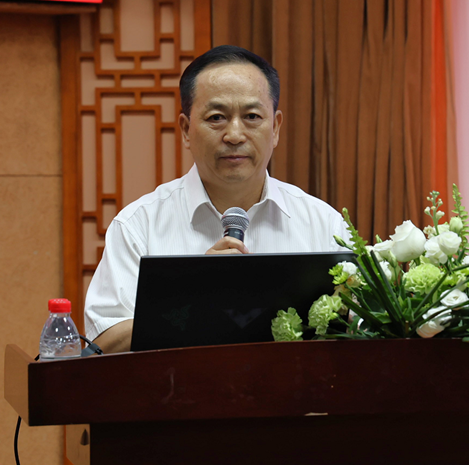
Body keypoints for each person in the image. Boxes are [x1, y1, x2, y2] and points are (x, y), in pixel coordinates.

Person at [84, 45, 348, 353]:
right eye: (217, 117)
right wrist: (194, 296)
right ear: (186, 129)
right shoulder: (138, 226)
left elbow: (362, 330)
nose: (234, 135)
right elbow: (101, 346)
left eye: (252, 116)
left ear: (275, 128)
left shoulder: (323, 224)